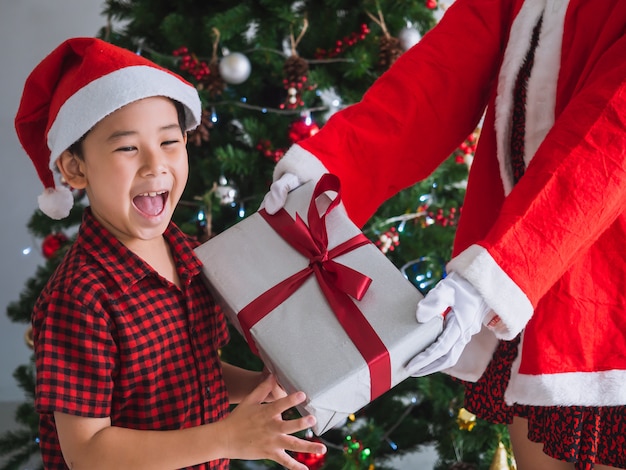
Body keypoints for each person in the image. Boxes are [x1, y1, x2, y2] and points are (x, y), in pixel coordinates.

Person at [263, 0, 626, 469]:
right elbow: (440, 76)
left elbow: (610, 139)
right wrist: (330, 168)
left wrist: (498, 274)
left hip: (603, 284)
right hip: (529, 287)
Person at [15, 37, 326, 470]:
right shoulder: (80, 298)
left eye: (169, 142)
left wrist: (258, 385)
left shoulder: (192, 258)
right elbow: (87, 452)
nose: (155, 165)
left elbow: (190, 370)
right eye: (127, 147)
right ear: (74, 168)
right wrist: (225, 437)